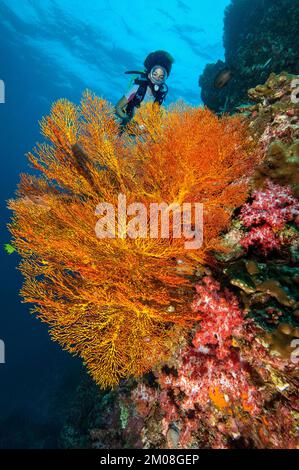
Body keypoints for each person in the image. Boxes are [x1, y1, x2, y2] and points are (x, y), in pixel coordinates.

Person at [115, 50, 174, 128]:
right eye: (155, 74)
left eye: (161, 77)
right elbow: (118, 107)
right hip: (128, 127)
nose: (157, 79)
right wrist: (126, 119)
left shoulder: (160, 96)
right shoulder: (137, 88)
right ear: (149, 74)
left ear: (165, 79)